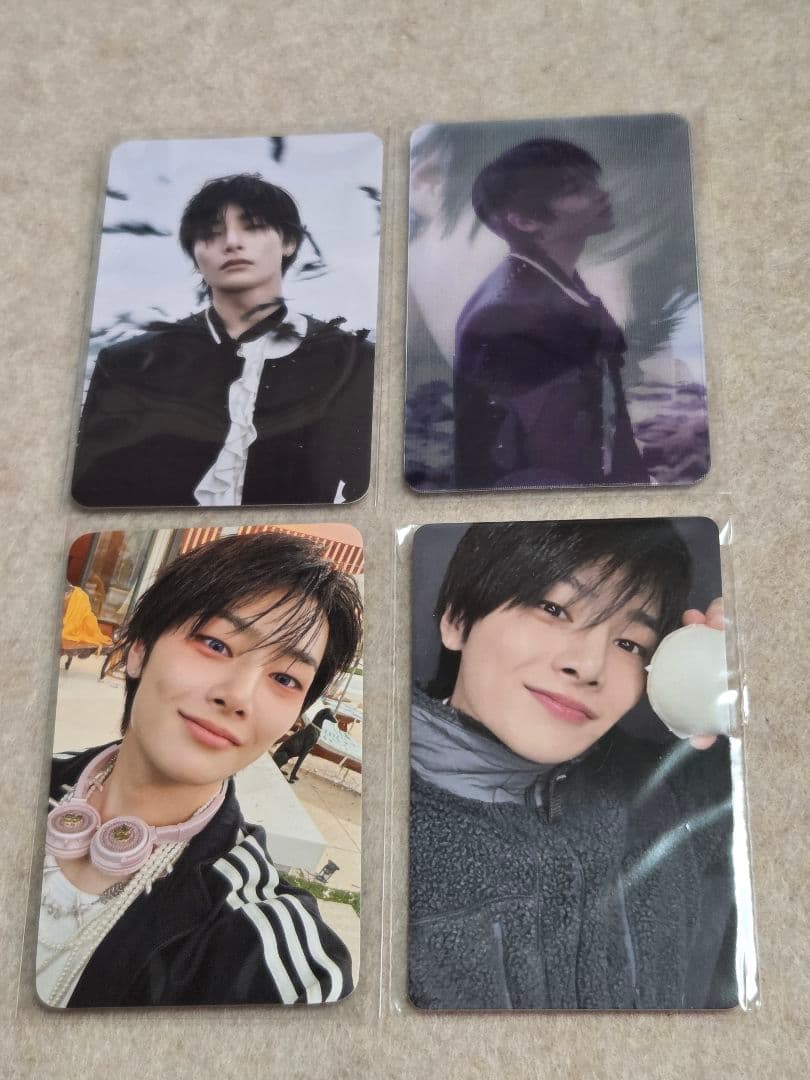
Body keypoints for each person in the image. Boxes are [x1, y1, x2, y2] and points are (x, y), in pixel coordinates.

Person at [409, 521, 736, 1010]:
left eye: (629, 644)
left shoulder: (677, 790)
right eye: (554, 609)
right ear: (457, 618)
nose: (588, 666)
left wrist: (778, 679)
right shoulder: (388, 833)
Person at [38, 531, 362, 1008]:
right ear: (139, 648)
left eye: (284, 678)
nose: (237, 696)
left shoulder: (262, 941)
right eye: (215, 644)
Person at [72, 174, 375, 508]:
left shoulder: (352, 361)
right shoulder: (126, 364)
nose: (231, 242)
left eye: (253, 227)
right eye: (211, 232)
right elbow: (95, 493)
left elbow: (365, 494)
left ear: (289, 241)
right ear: (194, 252)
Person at [452, 139, 649, 489]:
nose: (600, 193)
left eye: (592, 181)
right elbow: (553, 453)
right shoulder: (508, 315)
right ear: (524, 220)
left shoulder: (556, 287)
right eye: (576, 189)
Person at [273, 706, 334, 783]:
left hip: (288, 753)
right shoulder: (312, 732)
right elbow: (303, 754)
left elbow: (304, 753)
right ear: (323, 715)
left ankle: (289, 772)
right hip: (281, 755)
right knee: (284, 757)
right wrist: (292, 776)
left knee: (289, 757)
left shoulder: (314, 730)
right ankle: (289, 774)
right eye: (330, 716)